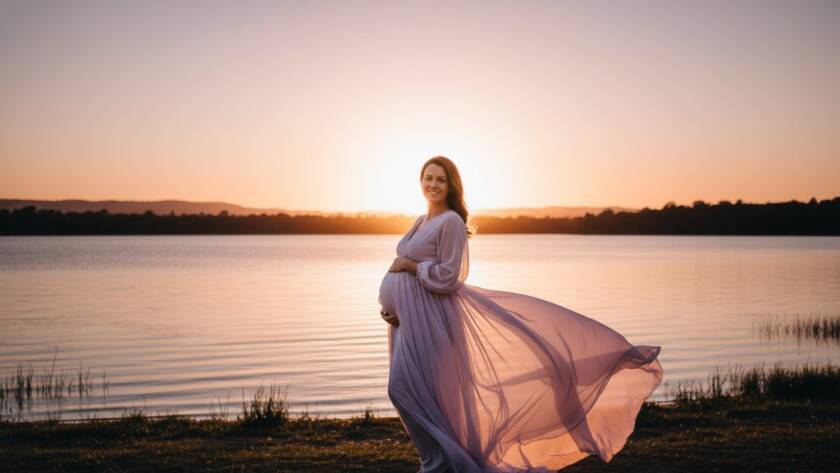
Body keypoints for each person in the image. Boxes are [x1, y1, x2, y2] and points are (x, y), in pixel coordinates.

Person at [378, 156, 663, 472]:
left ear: (451, 186)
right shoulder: (421, 220)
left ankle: (441, 461)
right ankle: (436, 460)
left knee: (403, 388)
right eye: (428, 178)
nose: (432, 184)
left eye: (440, 180)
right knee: (419, 392)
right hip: (408, 322)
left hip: (431, 321)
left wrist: (414, 268)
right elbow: (409, 276)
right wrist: (395, 307)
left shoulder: (451, 222)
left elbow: (450, 275)